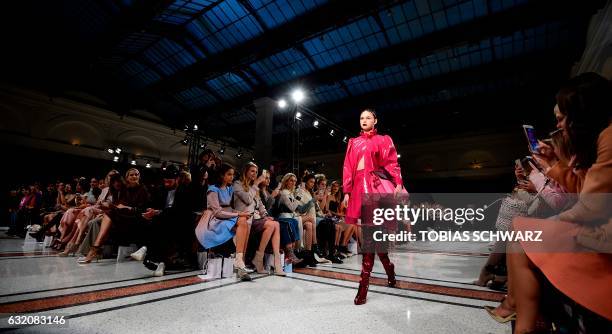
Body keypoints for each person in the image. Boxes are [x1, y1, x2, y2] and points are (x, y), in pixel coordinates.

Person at [342, 108, 406, 305]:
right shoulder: (353, 142)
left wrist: (397, 182)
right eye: (361, 117)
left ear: (375, 120)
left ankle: (364, 287)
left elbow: (392, 163)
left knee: (372, 238)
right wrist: (346, 191)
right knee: (374, 239)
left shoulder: (384, 139)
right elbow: (347, 166)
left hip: (377, 188)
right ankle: (389, 272)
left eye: (368, 117)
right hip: (359, 190)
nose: (364, 120)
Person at [198, 163, 253, 281]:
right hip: (215, 220)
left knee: (244, 220)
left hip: (226, 217)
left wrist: (241, 213)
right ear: (221, 175)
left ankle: (238, 259)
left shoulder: (229, 189)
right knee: (242, 219)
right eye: (229, 174)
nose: (231, 177)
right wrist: (239, 213)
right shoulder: (212, 189)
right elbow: (217, 212)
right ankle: (239, 260)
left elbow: (229, 208)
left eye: (232, 175)